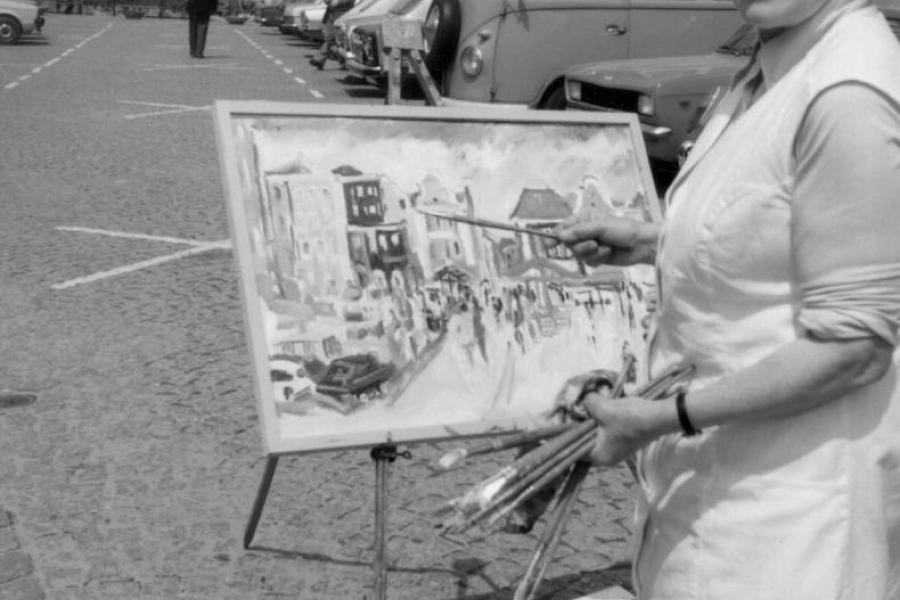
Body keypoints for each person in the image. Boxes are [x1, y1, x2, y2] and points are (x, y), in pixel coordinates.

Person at [550, 0, 900, 596]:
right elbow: (776, 220)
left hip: (787, 532)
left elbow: (854, 346)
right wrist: (653, 240)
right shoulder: (772, 61)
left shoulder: (848, 91)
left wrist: (658, 418)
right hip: (720, 503)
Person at [309, 0, 354, 70]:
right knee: (329, 39)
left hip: (343, 15)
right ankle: (319, 59)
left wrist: (338, 2)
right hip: (330, 15)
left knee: (340, 41)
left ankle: (345, 60)